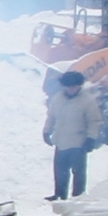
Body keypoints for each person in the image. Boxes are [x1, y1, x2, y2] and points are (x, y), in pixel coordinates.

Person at [43, 68, 95, 200]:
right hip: (61, 141)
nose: (71, 89)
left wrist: (91, 138)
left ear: (79, 85)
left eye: (74, 86)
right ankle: (59, 194)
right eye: (68, 86)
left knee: (78, 172)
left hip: (78, 142)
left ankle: (78, 196)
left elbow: (94, 121)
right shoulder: (58, 99)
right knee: (60, 171)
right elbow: (51, 117)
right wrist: (46, 131)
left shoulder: (87, 101)